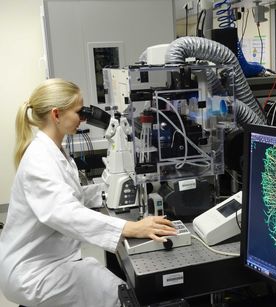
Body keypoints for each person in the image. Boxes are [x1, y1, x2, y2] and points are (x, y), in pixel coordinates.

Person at [0, 78, 177, 307]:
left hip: (49, 260)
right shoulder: (39, 159)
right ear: (56, 115)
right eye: (78, 112)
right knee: (118, 294)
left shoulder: (55, 149)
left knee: (95, 272)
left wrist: (105, 192)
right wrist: (130, 227)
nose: (84, 118)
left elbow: (70, 194)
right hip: (33, 272)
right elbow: (65, 212)